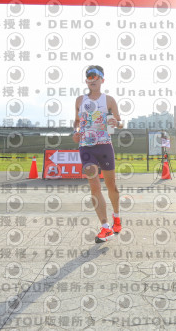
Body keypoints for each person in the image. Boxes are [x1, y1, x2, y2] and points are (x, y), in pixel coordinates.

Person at [73, 66, 123, 243]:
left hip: (104, 146)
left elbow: (120, 123)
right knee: (94, 186)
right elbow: (77, 121)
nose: (92, 80)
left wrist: (115, 123)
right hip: (86, 147)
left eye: (95, 77)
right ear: (86, 81)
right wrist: (75, 131)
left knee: (111, 186)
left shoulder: (109, 100)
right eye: (89, 77)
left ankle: (116, 216)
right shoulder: (80, 100)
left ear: (102, 80)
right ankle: (105, 227)